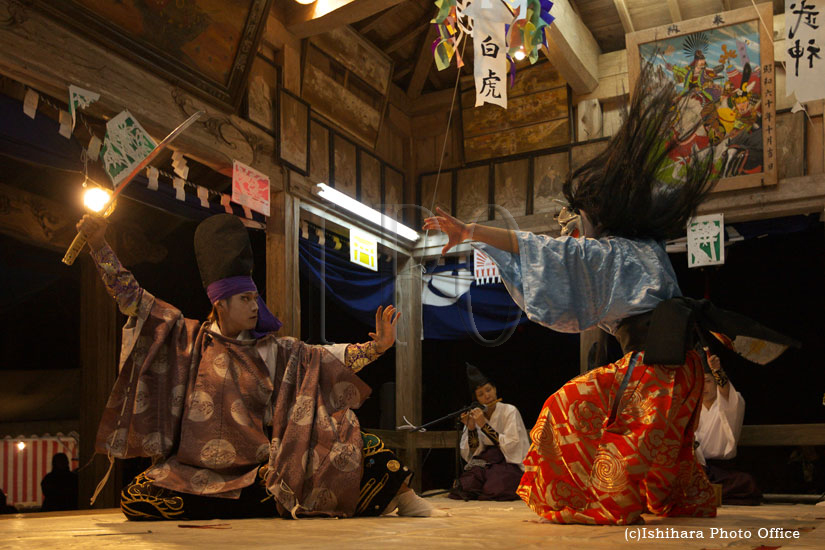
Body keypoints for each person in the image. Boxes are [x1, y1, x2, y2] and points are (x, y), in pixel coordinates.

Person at [423, 66, 796, 525]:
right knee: (647, 440)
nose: (577, 227)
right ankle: (652, 496)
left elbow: (538, 249)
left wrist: (472, 231)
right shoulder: (647, 249)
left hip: (653, 372)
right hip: (684, 373)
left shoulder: (608, 255)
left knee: (564, 407)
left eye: (580, 217)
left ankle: (602, 499)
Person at [78, 213, 433, 520]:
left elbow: (326, 356)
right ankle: (273, 504)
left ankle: (384, 495)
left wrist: (378, 347)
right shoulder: (188, 339)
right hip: (197, 470)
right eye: (245, 299)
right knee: (138, 498)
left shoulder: (273, 350)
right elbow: (134, 300)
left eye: (254, 298)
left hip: (261, 468)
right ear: (220, 302)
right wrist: (98, 245)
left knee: (362, 445)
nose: (254, 305)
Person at [449, 364, 529, 501]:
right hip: (486, 461)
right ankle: (482, 488)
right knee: (465, 487)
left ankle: (485, 488)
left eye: (488, 390)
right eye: (481, 394)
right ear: (476, 400)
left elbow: (512, 444)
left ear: (495, 389)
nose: (487, 396)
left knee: (495, 489)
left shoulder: (510, 411)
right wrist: (471, 428)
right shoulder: (475, 414)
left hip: (507, 461)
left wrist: (484, 426)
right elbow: (472, 452)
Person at [695, 349, 762, 505]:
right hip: (698, 469)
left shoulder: (728, 404)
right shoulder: (692, 408)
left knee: (746, 483)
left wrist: (717, 371)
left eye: (708, 381)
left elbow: (726, 391)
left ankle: (705, 494)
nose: (704, 386)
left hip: (722, 471)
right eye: (700, 381)